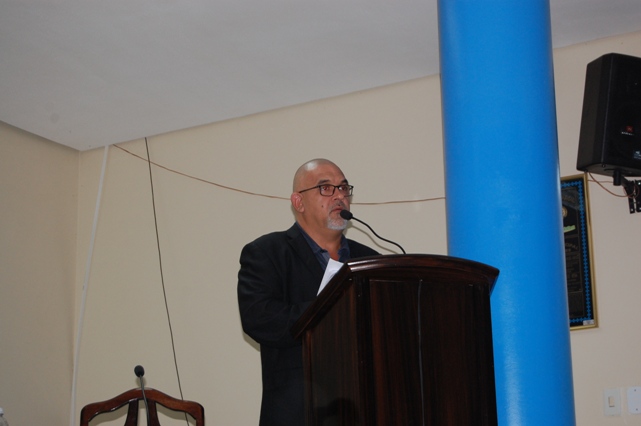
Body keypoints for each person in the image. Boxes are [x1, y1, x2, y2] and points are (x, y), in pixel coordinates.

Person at [237, 158, 379, 426]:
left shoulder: (370, 260)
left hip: (363, 410)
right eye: (325, 188)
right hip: (298, 412)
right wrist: (331, 309)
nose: (339, 196)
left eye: (343, 188)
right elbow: (259, 319)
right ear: (298, 202)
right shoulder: (267, 253)